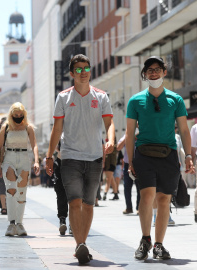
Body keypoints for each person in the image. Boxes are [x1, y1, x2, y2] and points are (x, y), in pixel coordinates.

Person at [46, 54, 115, 265]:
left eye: (86, 68)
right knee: (74, 202)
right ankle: (80, 244)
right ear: (71, 73)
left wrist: (110, 141)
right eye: (78, 69)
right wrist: (49, 156)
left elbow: (109, 123)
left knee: (89, 203)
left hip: (94, 157)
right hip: (70, 157)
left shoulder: (101, 96)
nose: (83, 72)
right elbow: (57, 129)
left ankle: (82, 243)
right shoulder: (63, 97)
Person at [126, 56, 194, 260]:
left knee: (164, 199)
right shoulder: (135, 100)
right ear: (144, 74)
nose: (153, 73)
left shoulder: (176, 99)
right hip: (144, 154)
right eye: (149, 70)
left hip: (169, 155)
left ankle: (159, 244)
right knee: (147, 196)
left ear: (165, 72)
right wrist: (130, 161)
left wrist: (189, 155)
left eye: (157, 69)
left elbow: (183, 129)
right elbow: (130, 134)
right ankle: (145, 239)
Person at [0, 102, 40, 236]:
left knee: (22, 191)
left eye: (21, 114)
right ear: (11, 115)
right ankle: (11, 223)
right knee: (11, 189)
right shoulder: (6, 127)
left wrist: (36, 161)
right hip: (9, 157)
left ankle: (19, 224)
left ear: (24, 114)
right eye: (16, 115)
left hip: (24, 157)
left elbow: (34, 145)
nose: (18, 117)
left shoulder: (28, 127)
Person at [51, 142, 72, 235]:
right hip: (60, 163)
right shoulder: (59, 129)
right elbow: (54, 143)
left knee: (74, 195)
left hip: (74, 164)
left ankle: (73, 223)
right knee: (61, 194)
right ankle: (62, 220)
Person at [117, 133, 140, 215]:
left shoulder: (143, 134)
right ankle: (129, 207)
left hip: (139, 165)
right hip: (127, 165)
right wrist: (128, 136)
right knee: (127, 186)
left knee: (139, 187)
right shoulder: (127, 135)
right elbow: (118, 147)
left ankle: (139, 208)